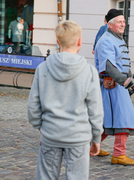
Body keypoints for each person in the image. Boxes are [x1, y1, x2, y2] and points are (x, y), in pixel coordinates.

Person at [27, 20, 104, 179]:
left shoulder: (43, 68)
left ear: (58, 41)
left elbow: (33, 105)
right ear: (79, 41)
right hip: (78, 137)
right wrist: (96, 137)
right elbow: (95, 109)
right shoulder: (89, 71)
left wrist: (41, 127)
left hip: (51, 135)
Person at [94, 8, 134, 165]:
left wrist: (133, 82)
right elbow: (109, 66)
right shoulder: (106, 40)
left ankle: (90, 146)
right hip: (111, 86)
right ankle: (119, 155)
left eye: (124, 21)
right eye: (119, 22)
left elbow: (123, 66)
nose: (123, 24)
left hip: (118, 85)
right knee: (123, 119)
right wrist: (126, 82)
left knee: (107, 120)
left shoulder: (118, 39)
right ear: (110, 25)